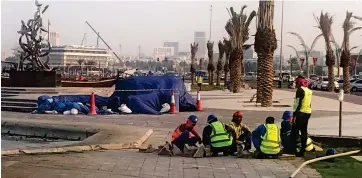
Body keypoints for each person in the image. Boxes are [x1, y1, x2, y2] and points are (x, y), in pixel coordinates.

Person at [291, 76, 312, 157]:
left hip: (300, 113)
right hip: (307, 112)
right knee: (303, 132)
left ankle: (293, 150)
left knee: (294, 132)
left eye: (296, 83)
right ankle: (302, 150)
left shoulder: (300, 90)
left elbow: (298, 103)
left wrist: (295, 115)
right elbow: (309, 103)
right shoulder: (309, 91)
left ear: (299, 83)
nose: (295, 84)